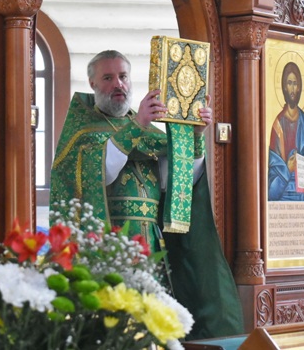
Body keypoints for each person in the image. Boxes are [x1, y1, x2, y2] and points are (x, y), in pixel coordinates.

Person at [50, 50, 243, 339]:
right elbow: (98, 174)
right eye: (108, 78)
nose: (118, 84)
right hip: (111, 249)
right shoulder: (83, 133)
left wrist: (195, 136)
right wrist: (137, 126)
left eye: (123, 76)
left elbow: (180, 184)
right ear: (92, 84)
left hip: (153, 250)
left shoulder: (149, 132)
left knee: (156, 330)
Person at [268, 61, 304, 201]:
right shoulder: (277, 125)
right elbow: (270, 190)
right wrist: (287, 169)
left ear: (300, 87)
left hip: (302, 196)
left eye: (295, 84)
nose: (293, 89)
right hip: (282, 197)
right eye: (289, 83)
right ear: (284, 86)